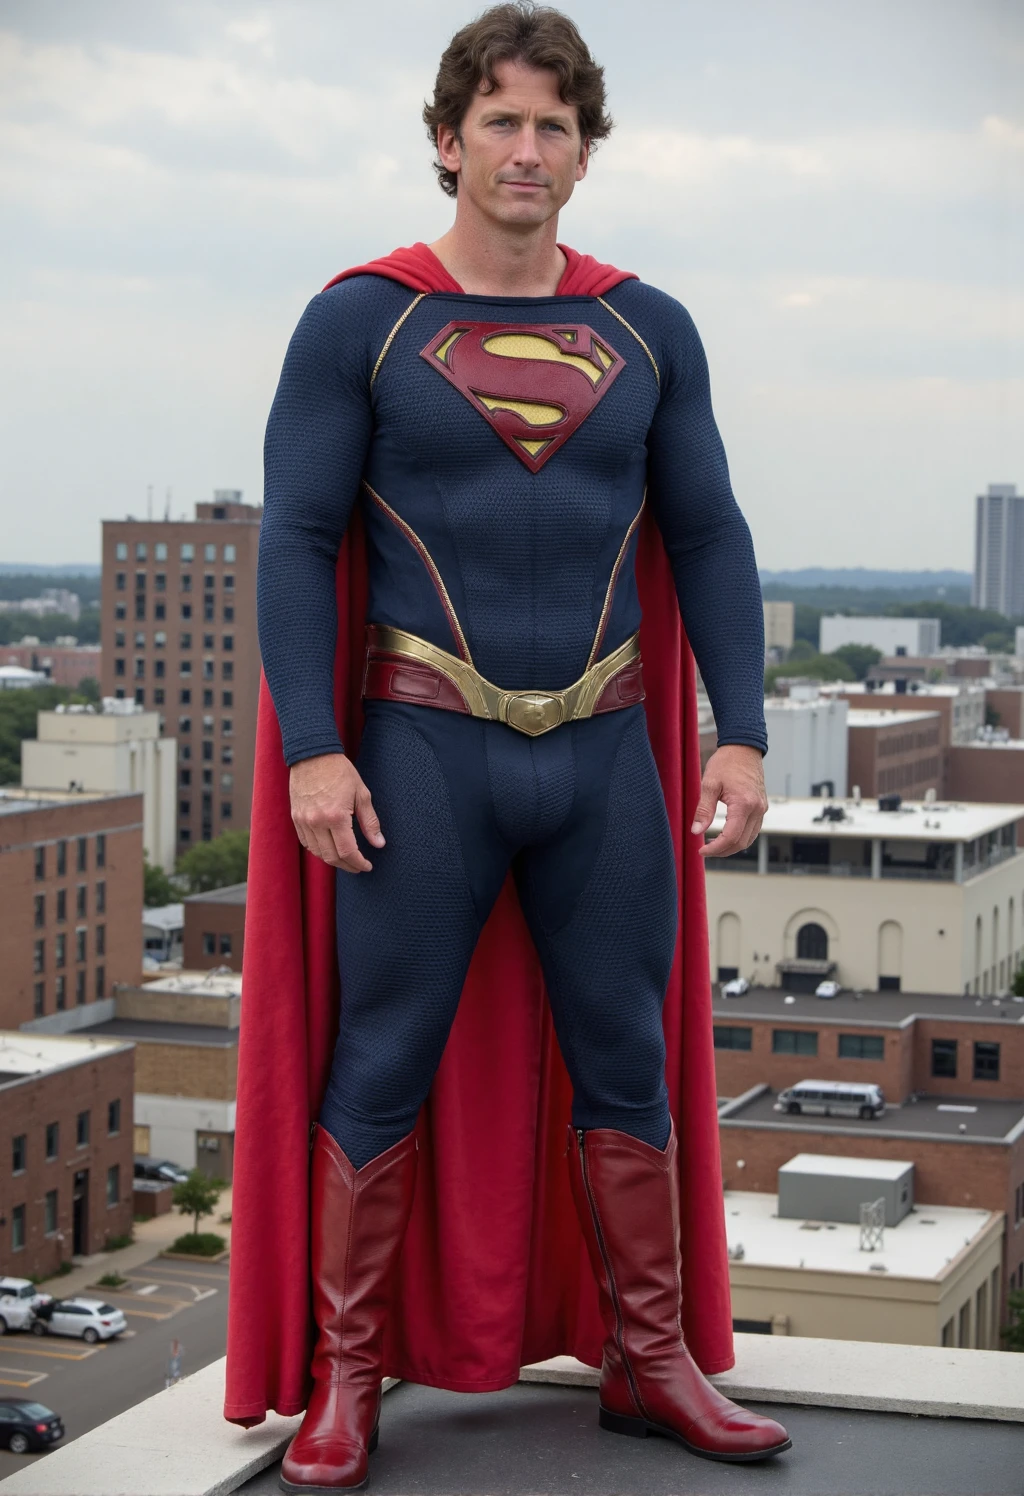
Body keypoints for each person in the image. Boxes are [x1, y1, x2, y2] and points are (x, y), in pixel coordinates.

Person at [228, 5, 790, 1491]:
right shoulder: (364, 318)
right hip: (421, 754)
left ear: (585, 152)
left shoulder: (648, 327)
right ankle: (348, 1382)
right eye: (500, 121)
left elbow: (709, 531)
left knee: (627, 1057)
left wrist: (740, 733)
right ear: (446, 141)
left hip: (603, 754)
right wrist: (314, 750)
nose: (526, 148)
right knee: (385, 1055)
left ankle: (650, 1361)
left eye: (553, 124)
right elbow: (295, 537)